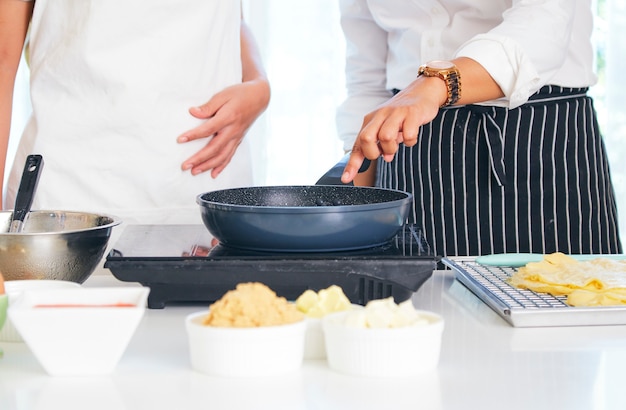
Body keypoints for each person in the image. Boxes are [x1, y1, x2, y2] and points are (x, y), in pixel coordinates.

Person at [337, 0, 622, 258]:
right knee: (420, 308)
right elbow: (367, 71)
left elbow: (544, 24)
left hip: (542, 139)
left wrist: (436, 84)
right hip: (408, 146)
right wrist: (358, 179)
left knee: (574, 300)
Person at [0, 0, 270, 224]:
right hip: (71, 197)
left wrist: (258, 82)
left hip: (210, 194)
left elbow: (231, 18)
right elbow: (3, 58)